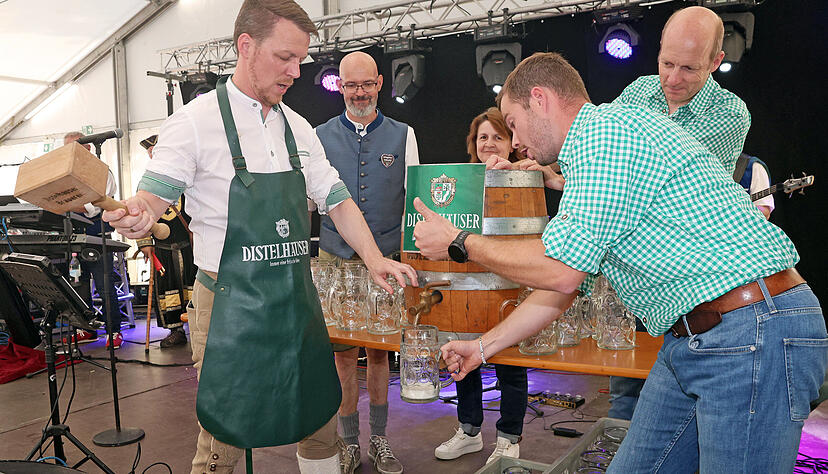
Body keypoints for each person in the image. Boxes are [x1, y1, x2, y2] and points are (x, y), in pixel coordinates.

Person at [413, 52, 826, 473]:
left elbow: (560, 268)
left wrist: (458, 241)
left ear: (539, 99)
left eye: (513, 123)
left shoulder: (605, 133)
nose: (515, 141)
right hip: (695, 337)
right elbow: (560, 286)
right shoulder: (595, 155)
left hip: (751, 327)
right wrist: (482, 348)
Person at [101, 1, 417, 473]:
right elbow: (150, 199)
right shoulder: (194, 121)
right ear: (245, 47)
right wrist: (138, 216)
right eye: (285, 57)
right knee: (222, 437)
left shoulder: (298, 127)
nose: (296, 71)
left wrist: (373, 257)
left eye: (301, 61)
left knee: (318, 419)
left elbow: (337, 198)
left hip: (295, 299)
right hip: (229, 305)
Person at [606, 6, 755, 420]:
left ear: (715, 61)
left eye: (688, 69)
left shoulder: (730, 113)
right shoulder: (637, 91)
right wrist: (548, 170)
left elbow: (645, 177)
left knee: (685, 406)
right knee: (624, 394)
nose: (672, 79)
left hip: (692, 286)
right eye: (666, 63)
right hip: (638, 274)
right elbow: (599, 158)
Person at [314, 51, 418, 474]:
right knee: (341, 357)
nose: (359, 93)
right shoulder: (317, 136)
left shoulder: (403, 134)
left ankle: (379, 439)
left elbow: (413, 201)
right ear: (339, 87)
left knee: (379, 355)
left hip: (387, 258)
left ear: (379, 84)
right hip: (334, 259)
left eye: (366, 84)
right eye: (350, 85)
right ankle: (349, 442)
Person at [433, 107, 527, 466]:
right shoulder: (460, 183)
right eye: (482, 137)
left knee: (510, 363)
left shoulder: (525, 177)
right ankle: (469, 429)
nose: (488, 143)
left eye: (497, 137)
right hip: (468, 284)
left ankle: (508, 438)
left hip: (508, 285)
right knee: (463, 354)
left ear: (511, 143)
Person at [62, 131, 121, 349]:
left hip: (98, 237)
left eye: (74, 148)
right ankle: (86, 329)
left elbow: (93, 207)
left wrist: (61, 204)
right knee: (78, 287)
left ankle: (114, 331)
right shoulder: (65, 175)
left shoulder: (101, 172)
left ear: (87, 149)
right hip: (73, 239)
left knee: (105, 286)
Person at [136, 134, 194, 348]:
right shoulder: (146, 185)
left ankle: (200, 328)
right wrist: (145, 243)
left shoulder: (187, 178)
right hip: (162, 248)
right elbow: (139, 213)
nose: (154, 155)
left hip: (190, 245)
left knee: (194, 287)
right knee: (168, 290)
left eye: (157, 151)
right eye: (151, 153)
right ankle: (175, 331)